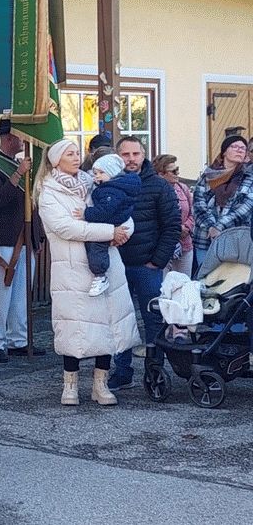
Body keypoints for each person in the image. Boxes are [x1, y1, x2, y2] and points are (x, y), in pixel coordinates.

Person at [36, 138, 140, 406]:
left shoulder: (93, 182)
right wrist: (108, 232)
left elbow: (120, 210)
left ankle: (100, 384)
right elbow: (65, 227)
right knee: (75, 327)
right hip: (71, 269)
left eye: (76, 153)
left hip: (105, 264)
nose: (76, 157)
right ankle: (70, 385)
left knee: (106, 326)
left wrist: (125, 231)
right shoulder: (49, 192)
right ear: (55, 159)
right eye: (69, 153)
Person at [107, 136, 182, 391]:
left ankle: (155, 371)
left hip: (147, 266)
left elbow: (172, 226)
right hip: (116, 265)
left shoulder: (159, 187)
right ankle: (123, 371)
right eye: (125, 154)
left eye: (135, 154)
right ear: (118, 157)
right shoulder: (109, 183)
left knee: (153, 320)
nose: (130, 159)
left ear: (143, 155)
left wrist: (157, 261)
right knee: (119, 320)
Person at [0, 118, 45, 363]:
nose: (24, 142)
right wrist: (18, 175)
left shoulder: (20, 165)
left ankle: (18, 339)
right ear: (10, 138)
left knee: (21, 294)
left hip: (24, 238)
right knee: (0, 294)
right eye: (21, 137)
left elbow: (32, 205)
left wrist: (36, 236)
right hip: (2, 238)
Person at [74, 154, 140, 297]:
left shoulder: (111, 190)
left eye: (101, 173)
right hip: (116, 220)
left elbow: (104, 211)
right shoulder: (116, 187)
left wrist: (86, 213)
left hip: (111, 221)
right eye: (95, 173)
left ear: (112, 173)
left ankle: (99, 275)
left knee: (96, 246)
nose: (96, 177)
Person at [192, 136, 253, 272]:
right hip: (206, 238)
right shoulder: (208, 175)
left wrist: (219, 227)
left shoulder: (249, 176)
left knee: (231, 283)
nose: (239, 150)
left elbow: (245, 208)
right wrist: (211, 227)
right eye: (235, 147)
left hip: (236, 240)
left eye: (243, 148)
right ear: (224, 151)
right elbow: (198, 204)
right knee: (205, 279)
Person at [152, 154, 195, 276]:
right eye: (173, 171)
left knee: (184, 284)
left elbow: (193, 211)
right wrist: (176, 229)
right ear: (161, 174)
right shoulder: (155, 191)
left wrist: (186, 226)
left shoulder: (183, 188)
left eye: (178, 169)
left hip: (185, 243)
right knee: (164, 286)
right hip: (162, 245)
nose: (177, 173)